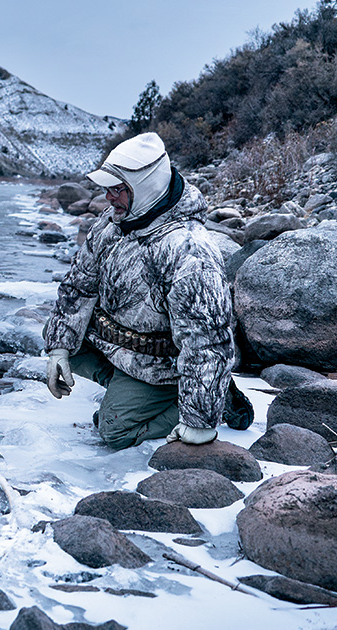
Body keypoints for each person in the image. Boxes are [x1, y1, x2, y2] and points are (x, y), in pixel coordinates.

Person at [43, 132, 251, 450]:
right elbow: (78, 285)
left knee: (114, 431)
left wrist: (199, 422)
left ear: (145, 188)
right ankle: (136, 392)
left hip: (160, 363)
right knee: (61, 338)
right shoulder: (111, 224)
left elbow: (207, 342)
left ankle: (210, 398)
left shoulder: (188, 250)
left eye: (117, 190)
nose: (109, 198)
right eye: (106, 189)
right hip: (119, 345)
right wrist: (59, 349)